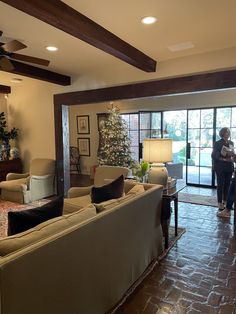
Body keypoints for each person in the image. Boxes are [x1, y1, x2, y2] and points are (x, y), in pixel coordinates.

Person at [211, 127, 234, 217]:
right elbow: (213, 155)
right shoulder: (217, 143)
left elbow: (232, 153)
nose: (228, 133)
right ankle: (220, 203)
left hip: (229, 166)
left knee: (228, 185)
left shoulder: (231, 143)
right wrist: (221, 155)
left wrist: (232, 156)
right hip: (220, 166)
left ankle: (226, 202)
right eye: (226, 132)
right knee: (220, 184)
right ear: (222, 133)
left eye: (228, 132)